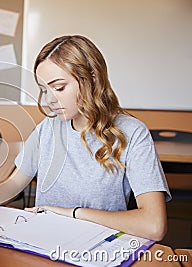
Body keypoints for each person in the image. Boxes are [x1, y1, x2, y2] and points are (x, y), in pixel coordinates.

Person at [10, 35, 170, 241]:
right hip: (45, 243)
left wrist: (72, 214)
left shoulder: (133, 133)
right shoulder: (48, 128)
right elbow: (13, 185)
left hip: (98, 247)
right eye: (44, 90)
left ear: (92, 77)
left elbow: (153, 225)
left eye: (59, 88)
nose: (50, 100)